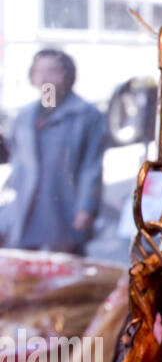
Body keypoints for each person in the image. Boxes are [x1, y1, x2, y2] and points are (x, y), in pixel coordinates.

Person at [0, 49, 109, 255]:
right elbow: (16, 158)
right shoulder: (25, 116)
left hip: (63, 207)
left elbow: (91, 167)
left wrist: (86, 207)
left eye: (52, 71)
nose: (45, 78)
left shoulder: (86, 116)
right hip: (28, 207)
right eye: (39, 71)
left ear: (68, 75)